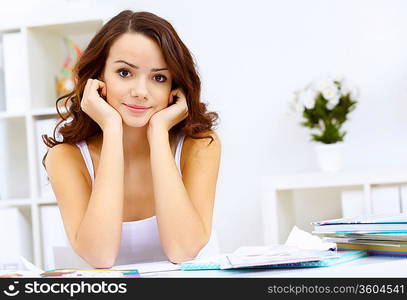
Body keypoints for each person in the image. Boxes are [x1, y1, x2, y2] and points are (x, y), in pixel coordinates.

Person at [43, 10, 221, 268]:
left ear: (174, 88)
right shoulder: (67, 158)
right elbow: (100, 256)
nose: (140, 92)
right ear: (98, 77)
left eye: (158, 77)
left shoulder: (200, 145)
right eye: (125, 73)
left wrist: (158, 133)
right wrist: (112, 129)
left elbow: (182, 251)